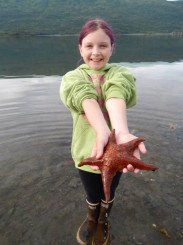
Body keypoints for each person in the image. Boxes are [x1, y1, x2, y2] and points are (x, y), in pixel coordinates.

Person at [60, 19, 146, 245]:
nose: (96, 52)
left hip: (118, 153)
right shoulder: (73, 78)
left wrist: (122, 133)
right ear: (80, 48)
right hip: (86, 153)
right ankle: (91, 219)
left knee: (109, 191)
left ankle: (103, 220)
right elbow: (83, 95)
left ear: (112, 48)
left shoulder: (120, 73)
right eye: (89, 46)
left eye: (103, 46)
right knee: (92, 193)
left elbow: (116, 91)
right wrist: (102, 132)